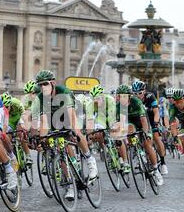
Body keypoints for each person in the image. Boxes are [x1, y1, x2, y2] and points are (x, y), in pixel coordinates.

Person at [34, 70, 98, 201]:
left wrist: (72, 131)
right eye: (40, 85)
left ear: (53, 83)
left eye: (45, 84)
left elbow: (71, 117)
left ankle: (90, 159)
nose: (42, 87)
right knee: (59, 146)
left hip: (71, 112)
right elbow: (44, 122)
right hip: (55, 118)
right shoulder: (41, 97)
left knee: (75, 131)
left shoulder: (64, 91)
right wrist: (41, 139)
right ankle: (70, 184)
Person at [115, 84, 163, 185]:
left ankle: (155, 169)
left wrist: (146, 133)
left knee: (147, 144)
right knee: (127, 129)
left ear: (129, 96)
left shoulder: (136, 102)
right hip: (132, 124)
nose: (121, 98)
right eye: (119, 96)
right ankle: (135, 150)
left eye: (124, 96)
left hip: (143, 122)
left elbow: (143, 120)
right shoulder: (119, 106)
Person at [85, 85, 130, 174]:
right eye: (93, 99)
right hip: (101, 118)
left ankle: (125, 162)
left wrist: (114, 127)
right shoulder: (90, 104)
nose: (95, 101)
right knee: (97, 133)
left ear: (102, 96)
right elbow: (89, 122)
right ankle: (105, 150)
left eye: (97, 98)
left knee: (118, 137)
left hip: (112, 116)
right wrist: (89, 136)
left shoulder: (110, 100)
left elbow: (112, 118)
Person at [132, 80, 168, 175]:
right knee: (136, 138)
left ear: (144, 91)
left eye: (140, 93)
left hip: (152, 119)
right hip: (140, 120)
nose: (137, 95)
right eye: (135, 94)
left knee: (156, 137)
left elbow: (156, 112)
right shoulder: (132, 100)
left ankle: (163, 162)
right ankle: (138, 155)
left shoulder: (150, 96)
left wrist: (156, 123)